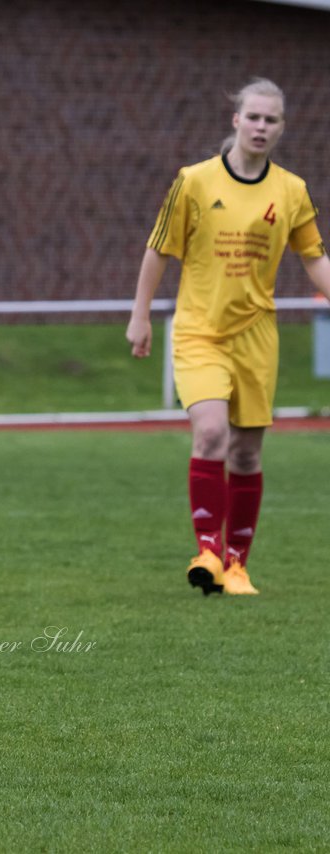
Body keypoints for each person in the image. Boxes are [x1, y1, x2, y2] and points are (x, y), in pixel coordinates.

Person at [126, 77, 330, 596]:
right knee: (211, 431)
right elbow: (158, 250)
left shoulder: (291, 191)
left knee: (245, 454)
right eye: (254, 117)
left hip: (257, 336)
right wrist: (140, 315)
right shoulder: (193, 182)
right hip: (200, 331)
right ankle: (208, 551)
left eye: (272, 119)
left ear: (282, 128)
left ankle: (237, 566)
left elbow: (314, 259)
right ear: (235, 120)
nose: (262, 127)